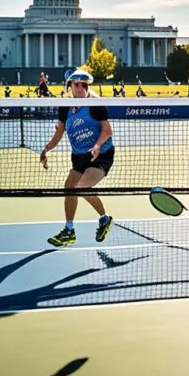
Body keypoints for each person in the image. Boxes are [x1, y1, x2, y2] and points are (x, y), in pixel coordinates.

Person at [40, 69, 114, 247]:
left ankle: (105, 219)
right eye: (76, 84)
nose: (80, 87)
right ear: (70, 86)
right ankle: (69, 230)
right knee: (69, 188)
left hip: (100, 154)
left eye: (84, 84)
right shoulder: (65, 107)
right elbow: (59, 133)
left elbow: (107, 130)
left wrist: (96, 146)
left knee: (82, 187)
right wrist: (45, 150)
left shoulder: (95, 104)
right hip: (79, 157)